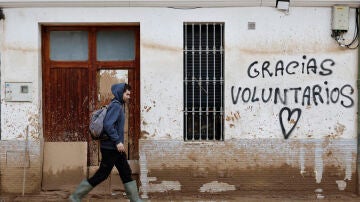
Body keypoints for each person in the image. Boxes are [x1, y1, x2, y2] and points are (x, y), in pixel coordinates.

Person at [69, 83, 142, 202]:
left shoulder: (117, 105)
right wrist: (118, 141)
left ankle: (135, 199)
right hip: (111, 148)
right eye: (127, 94)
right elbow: (108, 125)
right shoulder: (116, 106)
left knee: (126, 172)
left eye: (130, 94)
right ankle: (76, 196)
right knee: (102, 175)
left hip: (116, 149)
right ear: (120, 93)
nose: (129, 96)